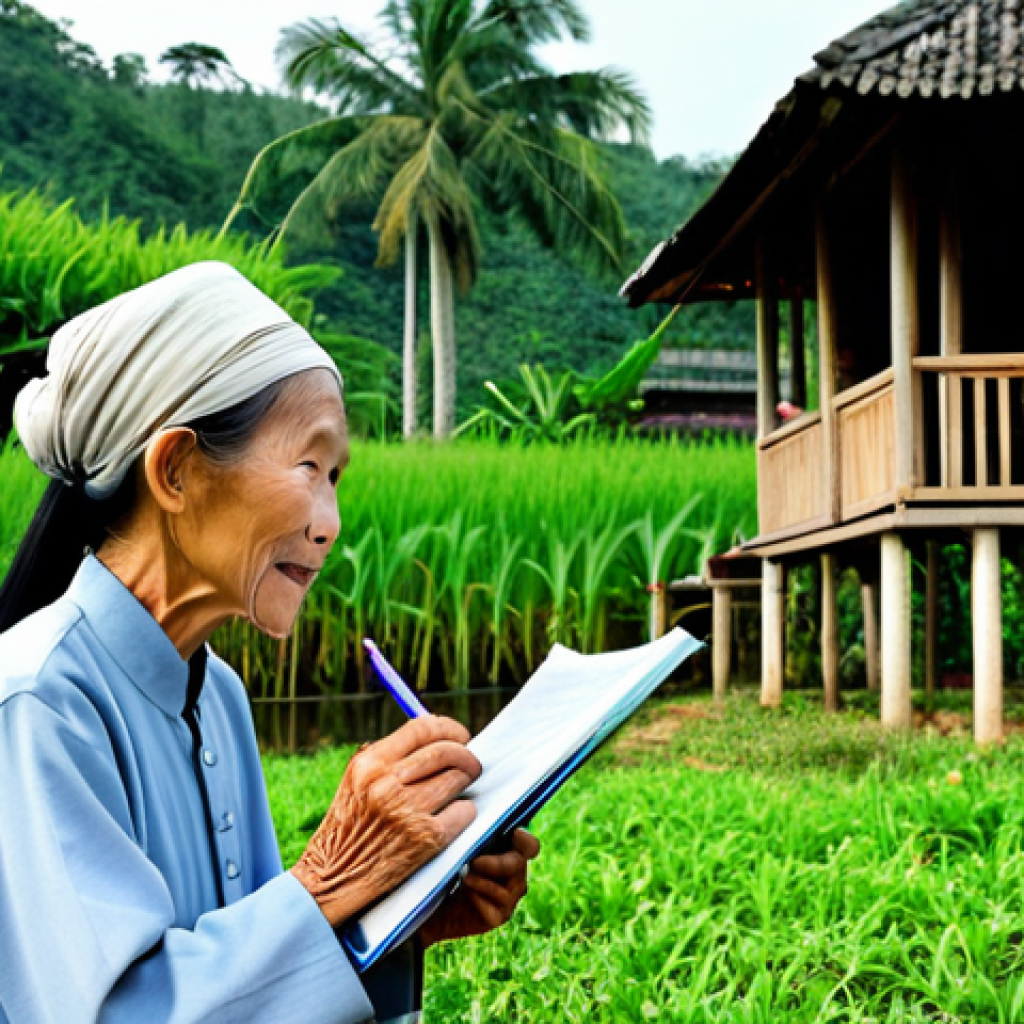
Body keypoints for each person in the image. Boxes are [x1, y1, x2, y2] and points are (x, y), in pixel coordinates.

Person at [0, 262, 540, 1024]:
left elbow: (249, 983)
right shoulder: (33, 702)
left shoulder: (218, 694)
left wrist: (388, 921)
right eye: (311, 466)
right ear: (177, 469)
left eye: (337, 479)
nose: (331, 521)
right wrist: (325, 882)